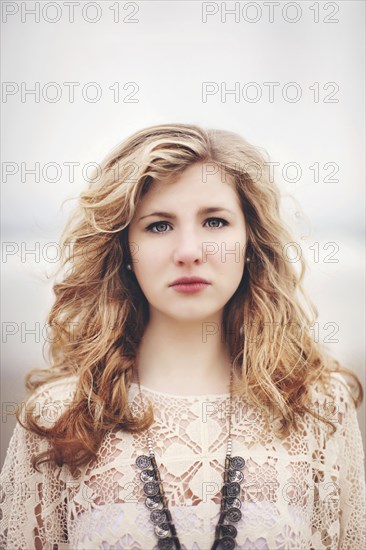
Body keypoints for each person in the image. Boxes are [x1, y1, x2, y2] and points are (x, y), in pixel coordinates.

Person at [0, 123, 365, 550]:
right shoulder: (59, 417)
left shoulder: (318, 408)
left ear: (249, 241)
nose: (189, 250)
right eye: (158, 226)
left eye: (214, 221)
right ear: (125, 250)